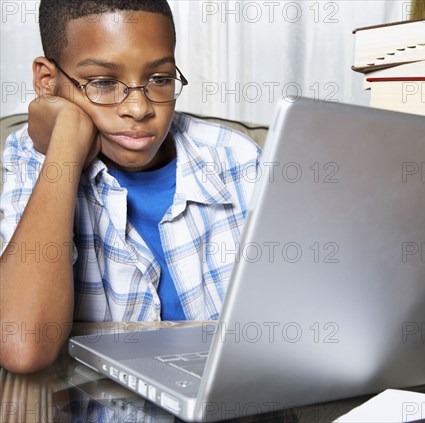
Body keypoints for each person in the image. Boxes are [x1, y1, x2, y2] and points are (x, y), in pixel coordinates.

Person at [0, 0, 260, 373]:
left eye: (160, 79)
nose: (138, 108)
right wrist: (67, 138)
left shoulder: (234, 156)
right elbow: (22, 347)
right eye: (104, 83)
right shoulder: (35, 159)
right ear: (47, 81)